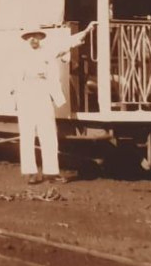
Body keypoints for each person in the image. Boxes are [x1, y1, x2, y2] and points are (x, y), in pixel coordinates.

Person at [11, 21, 95, 185]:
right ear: (25, 39)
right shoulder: (19, 55)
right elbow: (12, 78)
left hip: (43, 93)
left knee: (48, 133)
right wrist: (15, 94)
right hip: (26, 95)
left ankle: (51, 172)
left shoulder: (47, 52)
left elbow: (67, 44)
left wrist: (86, 30)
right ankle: (30, 173)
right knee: (27, 134)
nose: (33, 39)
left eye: (35, 36)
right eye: (29, 37)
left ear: (40, 38)